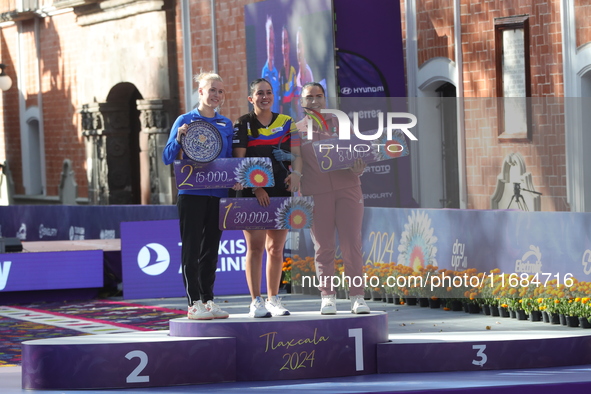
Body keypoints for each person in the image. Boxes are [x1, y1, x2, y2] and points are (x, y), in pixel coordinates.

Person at [287, 82, 370, 315]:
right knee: (323, 247)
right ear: (301, 102)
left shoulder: (342, 124)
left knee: (351, 244)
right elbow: (294, 161)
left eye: (318, 96)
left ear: (326, 100)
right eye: (309, 97)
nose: (314, 101)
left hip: (348, 189)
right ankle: (328, 297)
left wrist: (358, 168)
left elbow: (358, 154)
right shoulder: (297, 130)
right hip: (316, 193)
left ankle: (357, 297)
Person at [162, 72, 238, 320]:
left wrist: (237, 179)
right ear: (201, 92)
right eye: (212, 90)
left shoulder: (226, 124)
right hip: (191, 193)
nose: (216, 95)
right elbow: (167, 157)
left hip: (218, 194)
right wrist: (179, 138)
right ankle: (193, 303)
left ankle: (208, 300)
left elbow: (229, 159)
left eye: (220, 91)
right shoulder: (185, 120)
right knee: (192, 248)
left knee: (211, 250)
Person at [233, 78, 301, 318]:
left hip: (281, 191)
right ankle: (256, 301)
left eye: (268, 93)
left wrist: (297, 174)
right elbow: (239, 161)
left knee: (276, 248)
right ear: (251, 98)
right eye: (259, 93)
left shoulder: (287, 122)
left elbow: (297, 154)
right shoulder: (243, 123)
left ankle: (274, 299)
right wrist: (256, 187)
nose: (265, 97)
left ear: (274, 96)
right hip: (253, 193)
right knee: (256, 247)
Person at [261, 16, 281, 113]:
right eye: (269, 41)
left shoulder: (278, 71)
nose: (271, 45)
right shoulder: (264, 73)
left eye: (273, 41)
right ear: (266, 42)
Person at [279, 26, 297, 118]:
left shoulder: (293, 71)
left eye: (286, 42)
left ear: (289, 45)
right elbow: (280, 101)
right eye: (283, 43)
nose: (285, 47)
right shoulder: (280, 73)